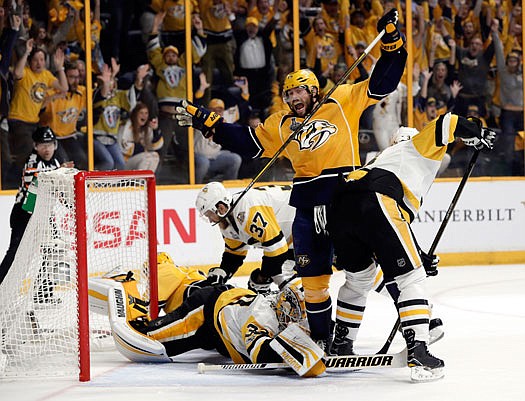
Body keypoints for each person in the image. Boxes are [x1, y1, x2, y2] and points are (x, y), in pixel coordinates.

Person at [176, 8, 407, 349]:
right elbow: (247, 141)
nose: (294, 99)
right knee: (313, 279)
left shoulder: (342, 100)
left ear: (313, 91)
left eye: (299, 92)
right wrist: (211, 124)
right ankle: (322, 339)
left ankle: (419, 324)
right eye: (288, 95)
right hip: (306, 203)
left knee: (369, 265)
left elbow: (383, 82)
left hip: (344, 198)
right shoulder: (281, 125)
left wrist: (391, 42)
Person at [327, 113, 496, 381]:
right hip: (377, 201)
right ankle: (419, 350)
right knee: (411, 278)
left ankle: (341, 345)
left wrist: (416, 254)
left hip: (340, 206)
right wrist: (476, 132)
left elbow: (391, 226)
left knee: (359, 280)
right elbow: (447, 122)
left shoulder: (382, 158)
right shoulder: (416, 146)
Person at [101, 269, 325, 377]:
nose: (299, 319)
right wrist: (297, 352)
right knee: (146, 338)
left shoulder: (284, 314)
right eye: (296, 311)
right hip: (206, 313)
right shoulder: (261, 316)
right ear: (284, 305)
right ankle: (124, 284)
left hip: (224, 325)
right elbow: (260, 356)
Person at [0, 127, 72, 285]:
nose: (47, 149)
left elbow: (58, 187)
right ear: (35, 146)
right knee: (15, 253)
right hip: (24, 212)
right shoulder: (32, 160)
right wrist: (59, 171)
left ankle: (43, 290)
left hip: (44, 214)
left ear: (55, 145)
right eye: (42, 145)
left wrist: (69, 204)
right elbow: (34, 182)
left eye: (50, 144)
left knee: (53, 251)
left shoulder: (55, 162)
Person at [195, 182, 296, 293]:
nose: (210, 220)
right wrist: (222, 273)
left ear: (220, 207)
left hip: (307, 214)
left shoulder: (247, 211)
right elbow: (234, 254)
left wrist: (263, 277)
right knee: (263, 283)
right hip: (293, 234)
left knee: (288, 280)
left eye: (209, 214)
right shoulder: (227, 220)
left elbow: (277, 251)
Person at [194, 99, 242, 183]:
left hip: (214, 157)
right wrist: (200, 92)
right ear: (209, 110)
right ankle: (196, 187)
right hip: (198, 157)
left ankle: (229, 187)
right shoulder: (203, 118)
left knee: (235, 159)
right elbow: (195, 108)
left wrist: (244, 93)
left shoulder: (225, 119)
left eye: (220, 110)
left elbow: (241, 107)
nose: (217, 112)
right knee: (204, 162)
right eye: (214, 110)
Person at [120, 102, 164, 172]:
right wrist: (142, 148)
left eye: (146, 113)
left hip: (140, 159)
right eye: (141, 113)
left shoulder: (146, 128)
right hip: (124, 162)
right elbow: (123, 146)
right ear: (135, 114)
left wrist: (155, 130)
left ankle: (147, 181)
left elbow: (154, 146)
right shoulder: (127, 126)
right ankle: (140, 182)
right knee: (147, 157)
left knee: (155, 156)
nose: (144, 115)